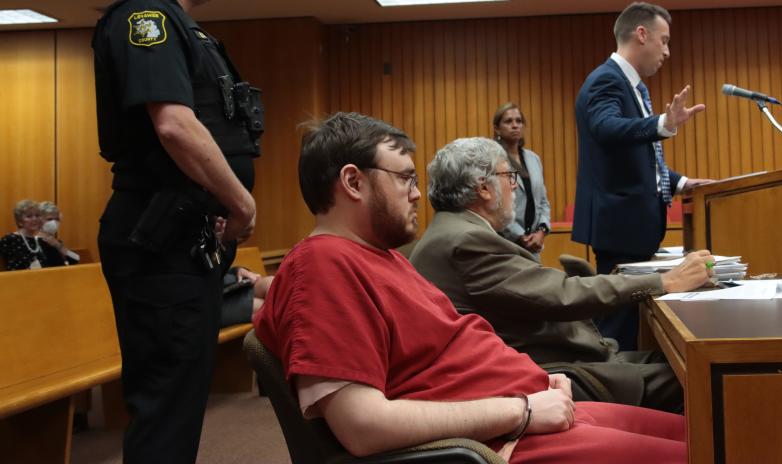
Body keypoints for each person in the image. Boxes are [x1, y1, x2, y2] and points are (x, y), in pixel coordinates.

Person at [254, 112, 687, 464]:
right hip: (504, 440)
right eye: (404, 178)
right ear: (353, 182)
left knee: (712, 428)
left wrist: (537, 385)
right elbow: (363, 427)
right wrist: (522, 410)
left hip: (532, 406)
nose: (417, 194)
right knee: (712, 449)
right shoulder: (322, 266)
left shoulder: (378, 257)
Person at [92, 0, 262, 463]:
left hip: (183, 239)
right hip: (160, 239)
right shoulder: (147, 20)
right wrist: (240, 202)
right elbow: (174, 125)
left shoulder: (182, 27)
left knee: (181, 400)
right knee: (166, 403)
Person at [411, 137, 713, 412]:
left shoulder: (453, 231)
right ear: (483, 188)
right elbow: (562, 294)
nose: (515, 186)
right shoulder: (466, 241)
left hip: (542, 362)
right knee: (707, 376)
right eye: (509, 176)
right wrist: (663, 282)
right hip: (544, 375)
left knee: (686, 363)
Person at [573, 1, 709, 351]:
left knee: (633, 319)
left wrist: (679, 182)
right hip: (621, 226)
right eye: (663, 41)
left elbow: (635, 152)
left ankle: (629, 383)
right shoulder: (606, 79)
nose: (667, 51)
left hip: (632, 225)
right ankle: (612, 389)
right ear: (641, 34)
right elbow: (607, 129)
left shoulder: (634, 86)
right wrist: (663, 125)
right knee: (619, 324)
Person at [492, 103, 551, 259]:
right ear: (497, 129)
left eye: (519, 121)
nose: (515, 125)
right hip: (507, 243)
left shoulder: (534, 159)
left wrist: (541, 231)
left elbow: (543, 201)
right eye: (508, 121)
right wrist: (519, 236)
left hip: (534, 244)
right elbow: (494, 204)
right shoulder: (495, 160)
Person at [0, 199, 72, 270]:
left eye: (37, 216)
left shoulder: (42, 240)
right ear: (19, 221)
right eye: (29, 216)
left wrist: (58, 246)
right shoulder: (10, 239)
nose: (34, 219)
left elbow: (65, 263)